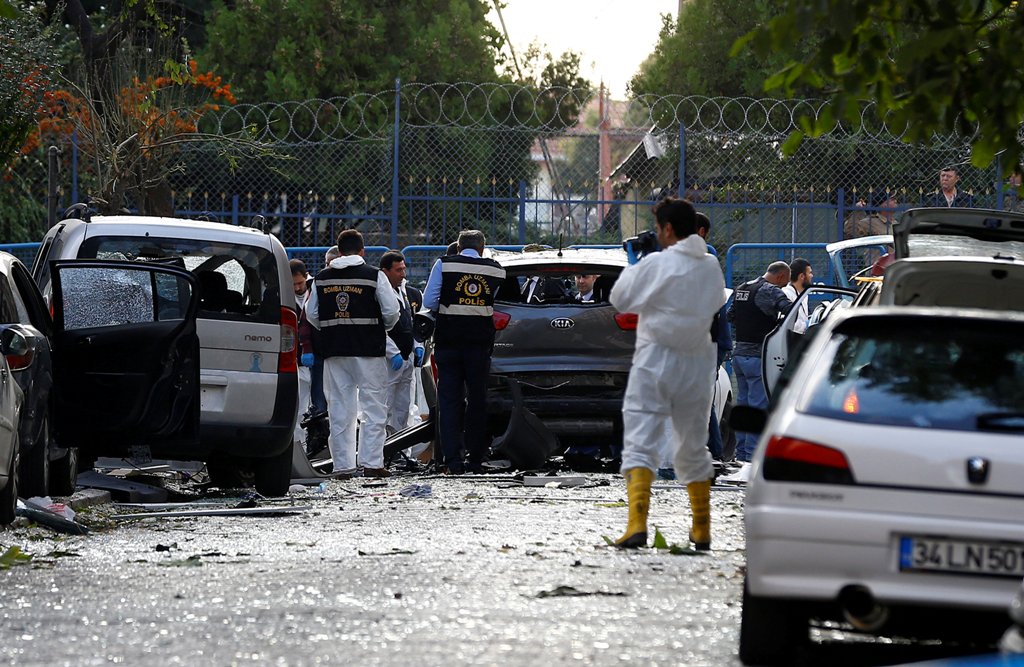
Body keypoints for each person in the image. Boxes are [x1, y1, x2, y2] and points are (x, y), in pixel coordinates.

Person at [609, 197, 726, 550]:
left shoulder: (657, 263)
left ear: (669, 229)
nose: (657, 235)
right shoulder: (711, 267)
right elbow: (714, 303)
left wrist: (636, 263)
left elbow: (620, 299)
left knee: (642, 438)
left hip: (655, 359)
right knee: (693, 444)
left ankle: (636, 525)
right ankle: (701, 528)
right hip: (697, 363)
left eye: (659, 228)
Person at [306, 230, 400, 478]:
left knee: (339, 409)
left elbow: (311, 314)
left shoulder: (322, 278)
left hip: (335, 351)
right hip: (369, 351)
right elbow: (391, 311)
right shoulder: (373, 276)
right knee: (374, 408)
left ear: (338, 251)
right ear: (362, 251)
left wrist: (334, 328)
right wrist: (379, 330)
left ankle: (343, 466)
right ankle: (372, 463)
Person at [422, 229, 506, 474]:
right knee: (477, 401)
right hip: (480, 345)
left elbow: (428, 302)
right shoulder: (495, 269)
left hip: (448, 343)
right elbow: (499, 306)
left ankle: (453, 461)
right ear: (483, 248)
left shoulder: (444, 265)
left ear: (458, 247)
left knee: (449, 401)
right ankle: (476, 459)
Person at [727, 261, 792, 469]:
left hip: (739, 355)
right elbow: (789, 311)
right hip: (758, 356)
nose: (783, 287)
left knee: (743, 405)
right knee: (757, 407)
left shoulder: (742, 288)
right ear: (781, 276)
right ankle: (752, 458)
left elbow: (730, 316)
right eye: (785, 283)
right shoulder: (770, 291)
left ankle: (741, 453)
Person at [379, 250, 425, 434]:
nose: (403, 274)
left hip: (407, 358)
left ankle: (401, 451)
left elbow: (412, 323)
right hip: (390, 361)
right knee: (385, 407)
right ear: (385, 271)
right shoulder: (380, 294)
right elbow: (378, 328)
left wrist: (418, 345)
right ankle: (382, 450)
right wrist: (393, 353)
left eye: (404, 269)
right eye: (398, 270)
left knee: (404, 408)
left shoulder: (406, 291)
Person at [290, 259, 314, 448]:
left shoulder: (315, 293)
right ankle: (301, 448)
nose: (298, 287)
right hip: (297, 361)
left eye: (300, 283)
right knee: (299, 410)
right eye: (294, 284)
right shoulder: (285, 297)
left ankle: (314, 446)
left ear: (306, 277)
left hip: (316, 359)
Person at [781, 258, 813, 334]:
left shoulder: (804, 294)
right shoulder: (786, 294)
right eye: (810, 273)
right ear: (802, 276)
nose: (812, 276)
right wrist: (806, 325)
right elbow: (785, 323)